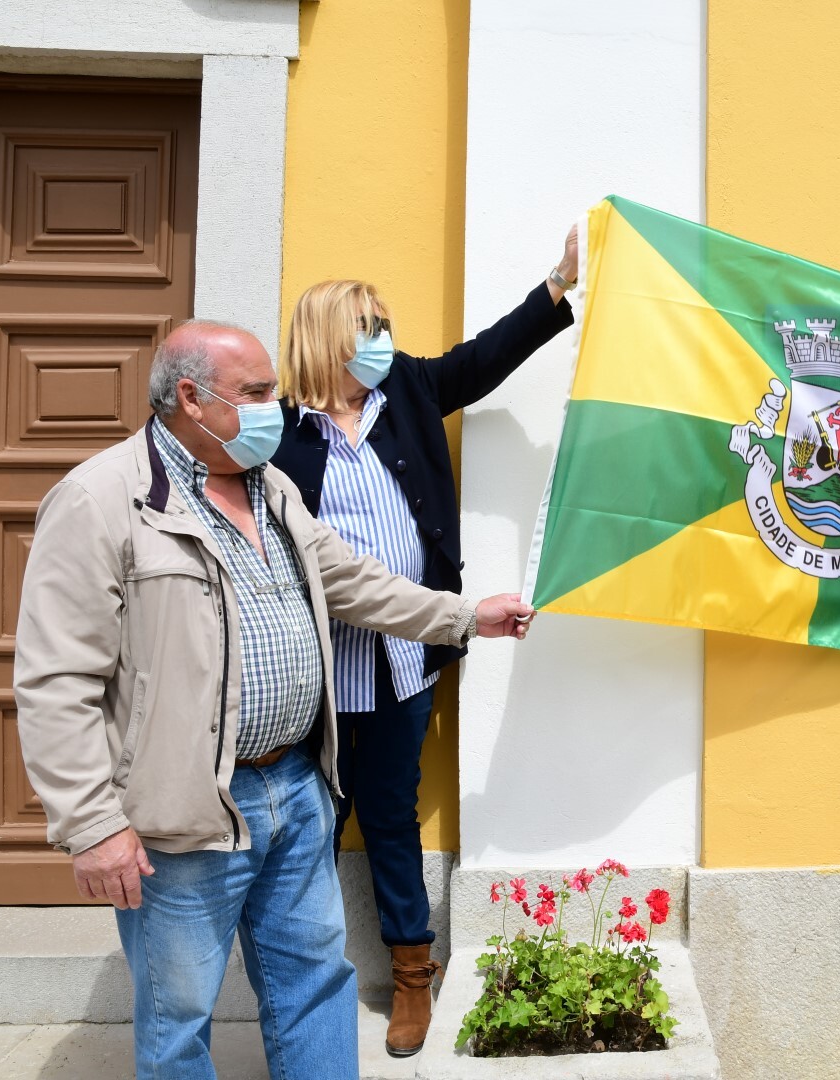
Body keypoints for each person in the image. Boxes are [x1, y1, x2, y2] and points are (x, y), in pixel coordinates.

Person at [13, 321, 536, 1080]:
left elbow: (354, 581)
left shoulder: (273, 487)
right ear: (191, 399)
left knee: (315, 988)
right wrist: (92, 825)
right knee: (179, 1021)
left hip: (295, 788)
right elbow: (56, 679)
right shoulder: (100, 501)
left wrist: (462, 617)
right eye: (255, 393)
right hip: (184, 816)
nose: (272, 408)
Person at [268, 226, 577, 1056]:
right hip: (320, 670)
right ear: (330, 341)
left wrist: (556, 281)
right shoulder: (280, 434)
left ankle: (413, 975)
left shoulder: (403, 389)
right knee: (314, 823)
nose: (383, 344)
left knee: (391, 815)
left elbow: (480, 362)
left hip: (406, 657)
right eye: (368, 330)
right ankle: (305, 984)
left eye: (386, 329)